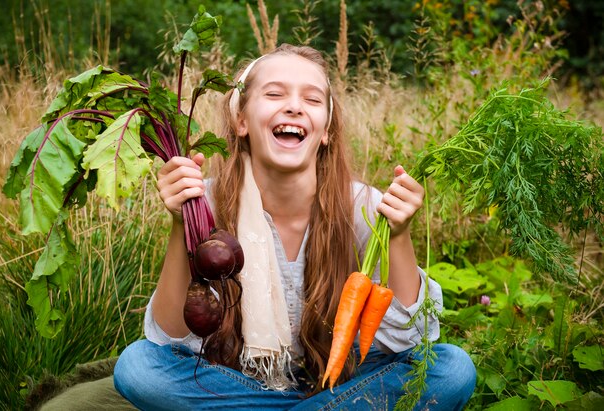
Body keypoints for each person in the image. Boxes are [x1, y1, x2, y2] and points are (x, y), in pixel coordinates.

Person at [112, 43, 476, 410]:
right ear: (241, 121)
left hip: (341, 380)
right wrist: (180, 222)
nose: (294, 106)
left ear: (325, 132)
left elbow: (414, 338)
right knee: (139, 368)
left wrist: (399, 234)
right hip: (237, 380)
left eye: (313, 99)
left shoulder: (362, 206)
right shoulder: (204, 205)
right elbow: (169, 341)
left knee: (451, 369)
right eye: (274, 94)